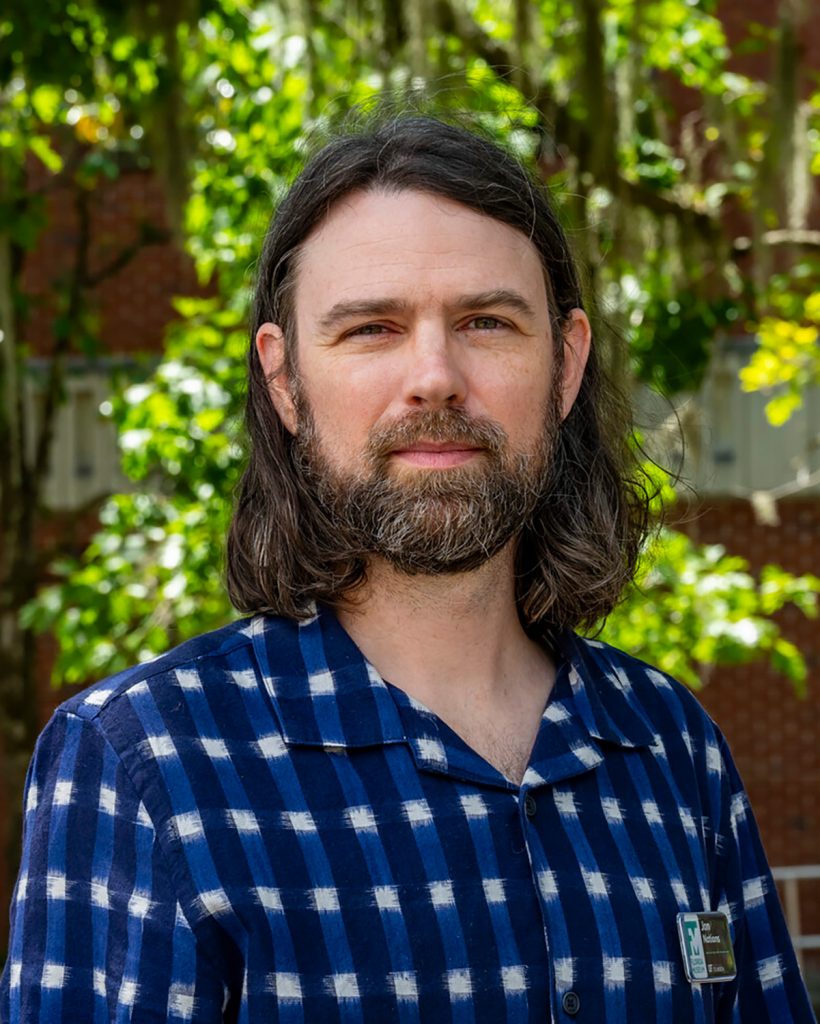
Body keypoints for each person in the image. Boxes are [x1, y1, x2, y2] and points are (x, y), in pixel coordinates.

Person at [1, 116, 814, 1024]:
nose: (435, 376)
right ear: (284, 381)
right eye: (372, 329)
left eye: (487, 321)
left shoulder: (675, 752)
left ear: (567, 363)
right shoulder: (144, 762)